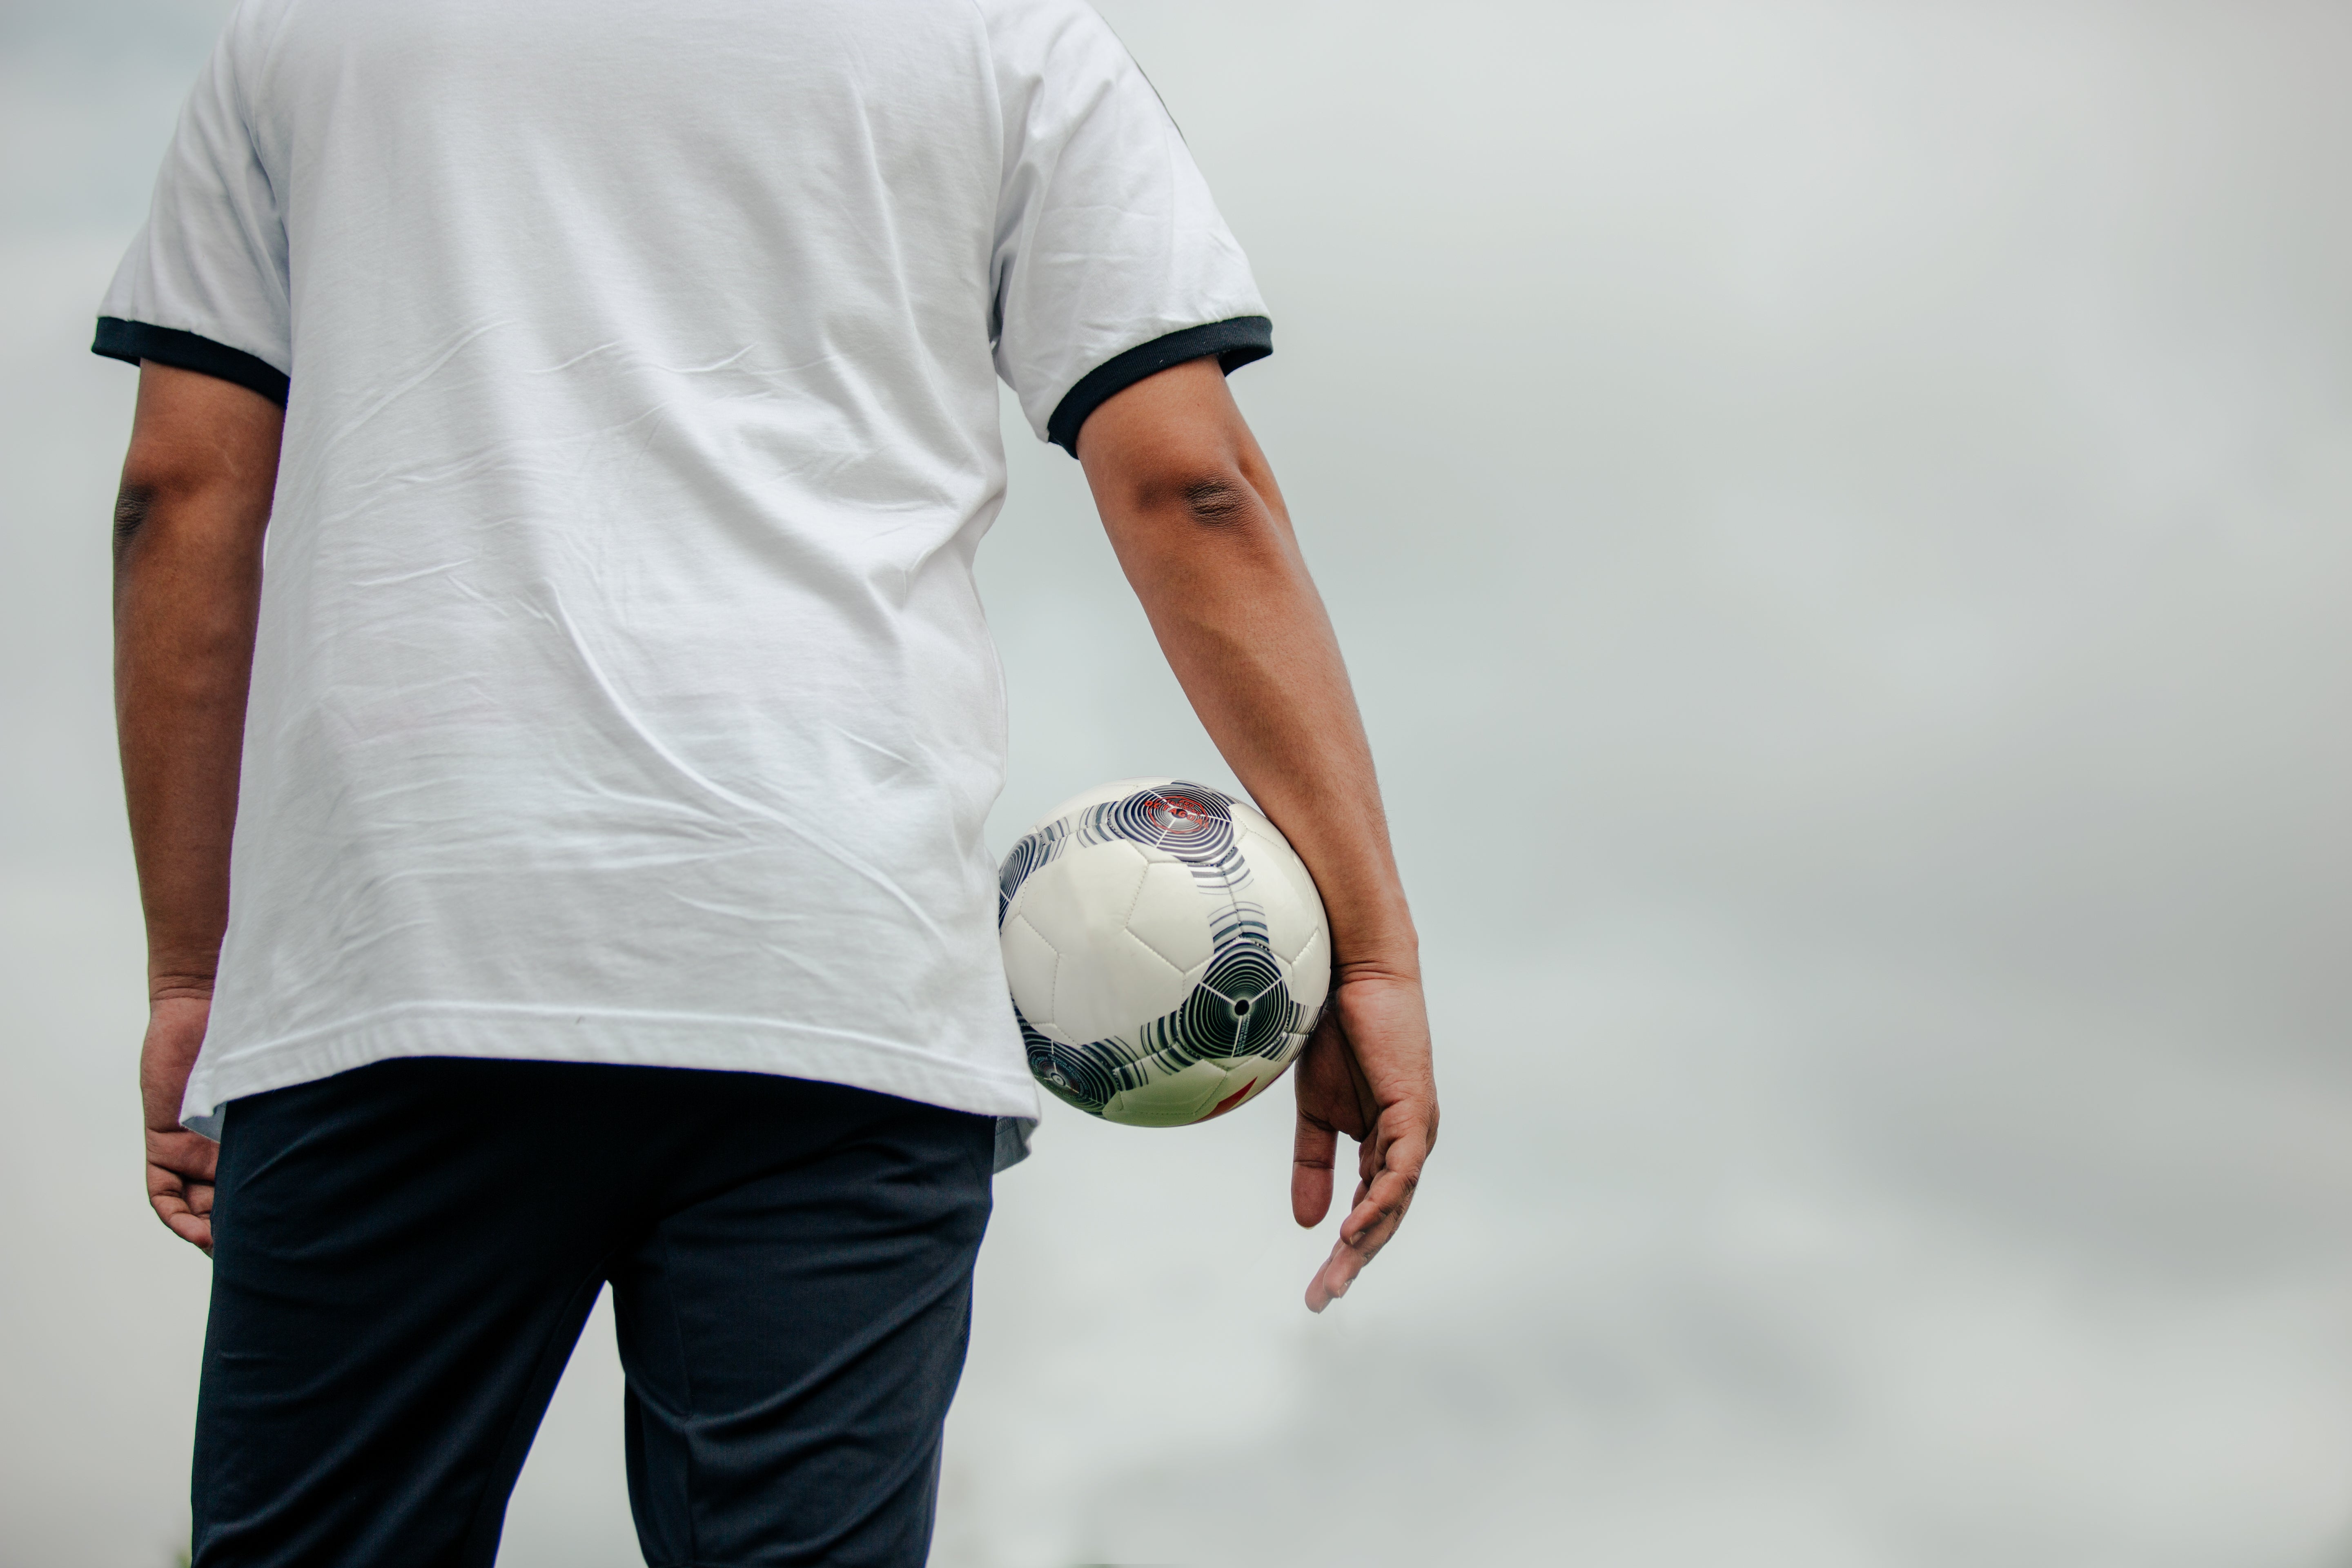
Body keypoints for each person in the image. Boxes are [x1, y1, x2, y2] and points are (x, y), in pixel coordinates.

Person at [98, 1, 1437, 1563]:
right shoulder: (1007, 37)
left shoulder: (304, 33)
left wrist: (196, 974)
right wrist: (1379, 948)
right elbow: (1190, 485)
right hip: (831, 975)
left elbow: (177, 495)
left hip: (399, 959)